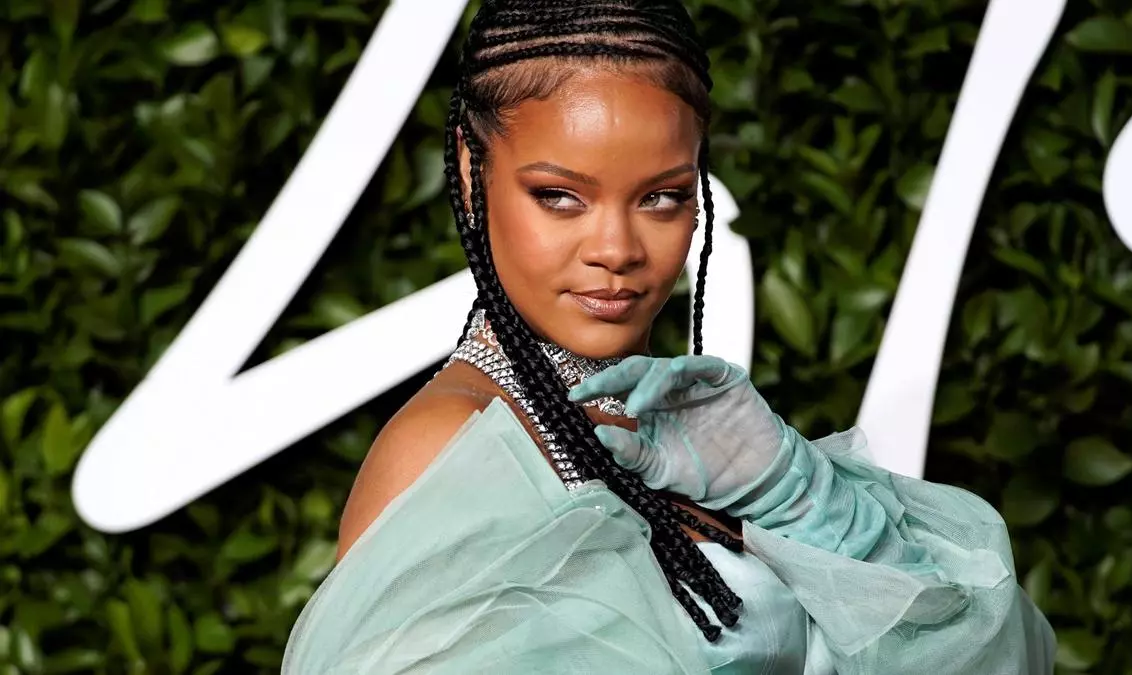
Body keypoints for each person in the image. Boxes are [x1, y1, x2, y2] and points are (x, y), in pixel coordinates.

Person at [281, 1, 1056, 672]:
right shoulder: (446, 448)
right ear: (469, 168)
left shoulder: (691, 430)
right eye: (560, 195)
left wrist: (803, 498)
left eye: (661, 197)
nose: (616, 249)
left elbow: (996, 657)